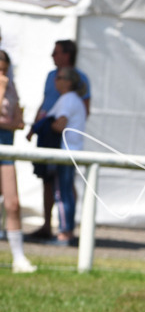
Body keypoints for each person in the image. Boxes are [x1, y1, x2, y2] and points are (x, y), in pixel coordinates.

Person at [27, 39, 90, 240]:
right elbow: (45, 103)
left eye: (56, 53)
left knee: (64, 190)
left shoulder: (70, 97)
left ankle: (66, 230)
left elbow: (60, 123)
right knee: (55, 186)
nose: (53, 56)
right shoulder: (54, 82)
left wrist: (49, 125)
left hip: (63, 147)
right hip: (59, 145)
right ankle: (54, 226)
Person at [0, 49, 36, 273]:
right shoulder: (5, 86)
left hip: (7, 145)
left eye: (4, 70)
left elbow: (17, 122)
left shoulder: (11, 86)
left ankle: (18, 258)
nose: (2, 74)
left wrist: (17, 121)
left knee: (12, 203)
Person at [48, 67, 88, 245]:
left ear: (69, 81)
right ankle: (68, 231)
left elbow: (60, 125)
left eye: (60, 78)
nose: (56, 80)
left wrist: (44, 124)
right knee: (67, 192)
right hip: (73, 151)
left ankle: (65, 233)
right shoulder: (76, 100)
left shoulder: (67, 99)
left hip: (65, 152)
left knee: (62, 193)